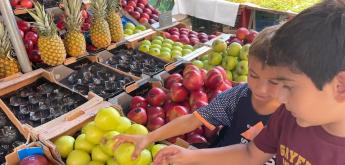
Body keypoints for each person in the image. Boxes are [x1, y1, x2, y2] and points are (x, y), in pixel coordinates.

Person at [153, 0, 345, 165]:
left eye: (288, 86)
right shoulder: (287, 117)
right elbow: (251, 154)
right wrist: (191, 156)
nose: (279, 96)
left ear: (341, 86)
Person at [113, 25, 281, 164]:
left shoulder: (295, 117)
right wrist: (149, 137)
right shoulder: (238, 96)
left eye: (273, 82)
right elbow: (195, 119)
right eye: (253, 75)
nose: (260, 88)